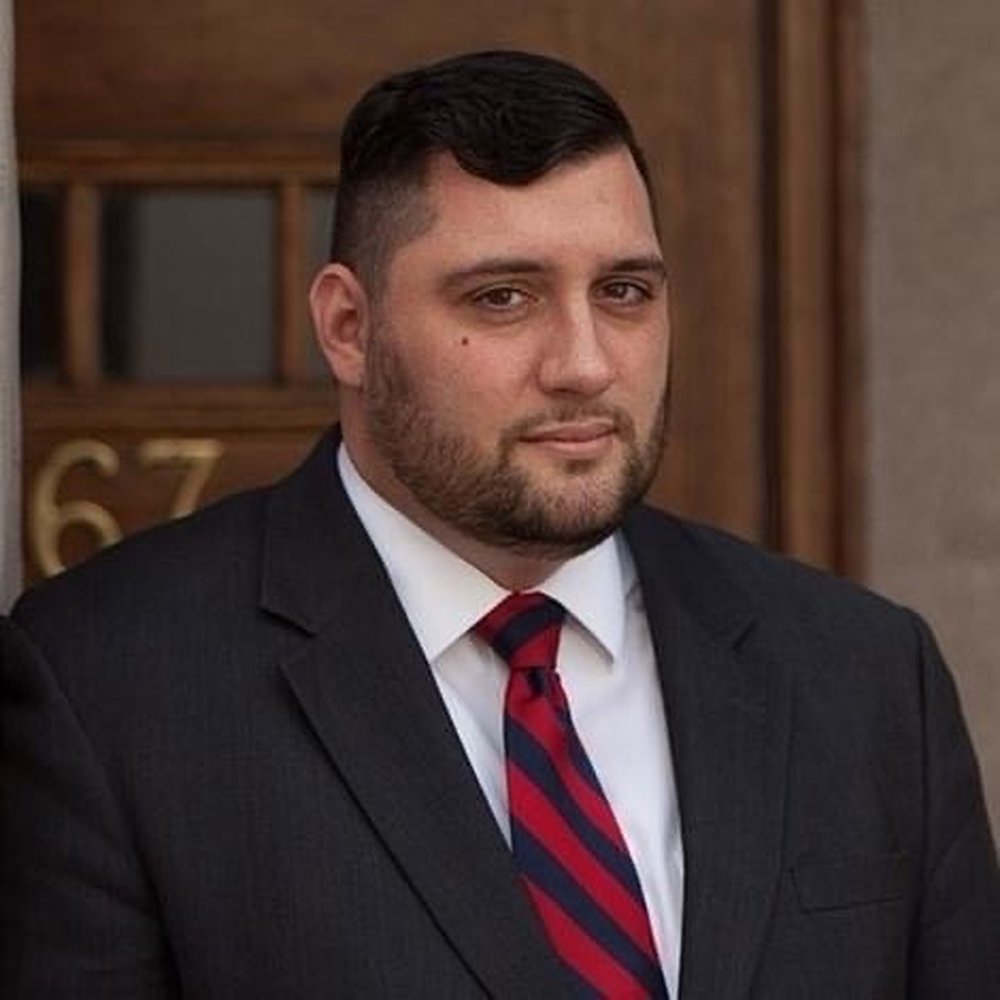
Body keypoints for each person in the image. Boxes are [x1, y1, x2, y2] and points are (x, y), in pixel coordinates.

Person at [1, 49, 997, 999]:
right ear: (348, 327)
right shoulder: (109, 691)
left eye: (624, 292)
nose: (585, 364)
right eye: (504, 297)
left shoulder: (865, 677)